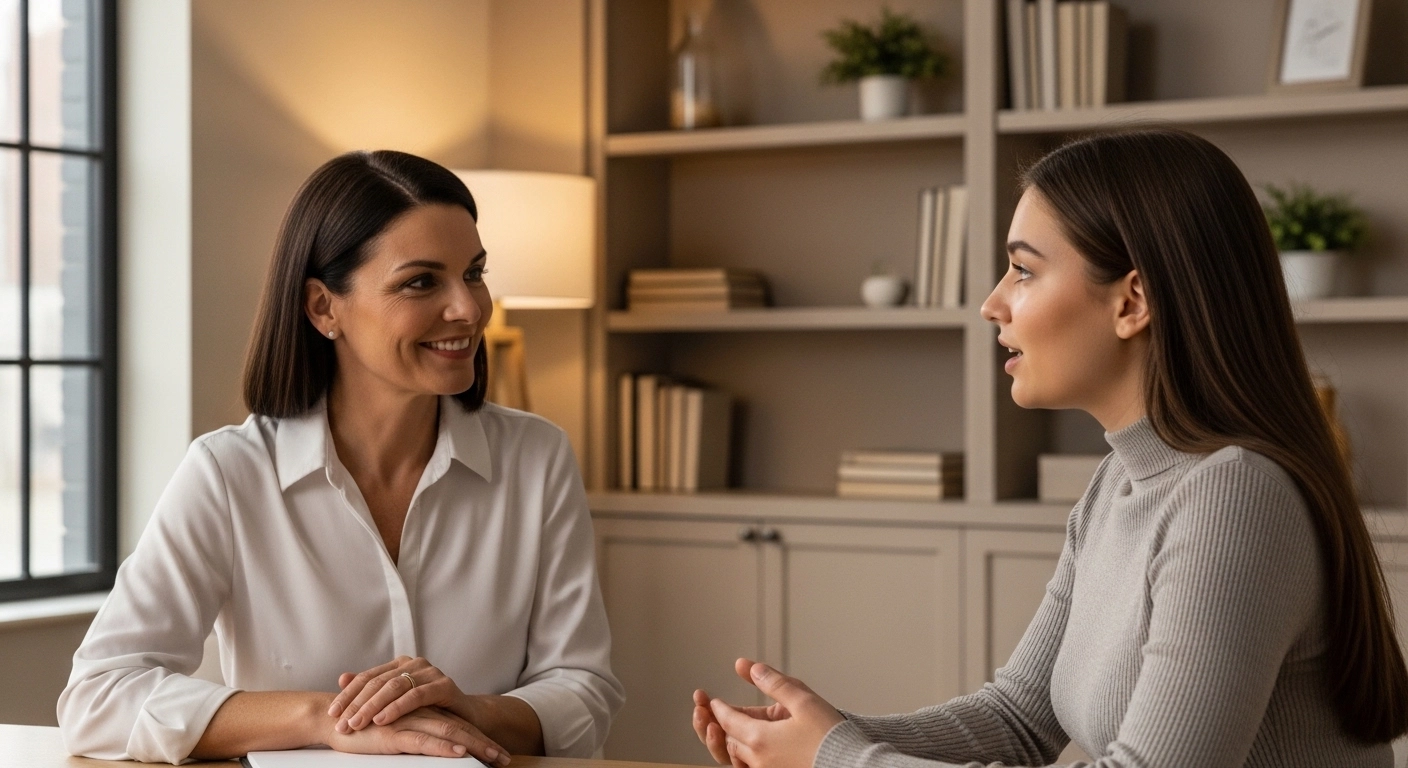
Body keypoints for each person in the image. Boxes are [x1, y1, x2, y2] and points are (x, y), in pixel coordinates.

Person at [690, 129, 1408, 767]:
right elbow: (1015, 719)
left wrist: (838, 758)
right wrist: (816, 732)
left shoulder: (1235, 496)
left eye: (1024, 270)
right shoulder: (1116, 486)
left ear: (1132, 302)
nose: (992, 303)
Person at [57, 150, 624, 764]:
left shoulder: (536, 458)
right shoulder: (229, 474)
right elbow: (97, 696)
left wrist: (469, 710)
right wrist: (327, 718)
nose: (469, 308)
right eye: (421, 281)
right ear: (324, 307)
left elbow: (585, 689)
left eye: (475, 273)